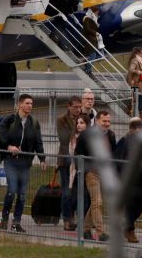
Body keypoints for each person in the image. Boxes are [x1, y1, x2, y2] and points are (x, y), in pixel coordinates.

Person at [0, 94, 46, 233]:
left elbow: (38, 142)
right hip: (11, 161)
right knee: (11, 191)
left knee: (22, 195)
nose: (30, 106)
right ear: (20, 104)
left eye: (31, 103)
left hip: (25, 163)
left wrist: (42, 158)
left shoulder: (34, 122)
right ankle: (4, 219)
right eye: (27, 103)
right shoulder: (10, 119)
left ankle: (16, 222)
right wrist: (8, 146)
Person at [74, 111, 116, 242]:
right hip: (91, 173)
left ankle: (85, 229)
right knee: (97, 202)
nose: (107, 124)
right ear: (97, 121)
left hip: (105, 173)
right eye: (104, 121)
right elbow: (78, 154)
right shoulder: (86, 135)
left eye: (109, 121)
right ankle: (101, 232)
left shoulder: (111, 135)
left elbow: (113, 155)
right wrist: (82, 171)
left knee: (96, 204)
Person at [57, 96, 82, 231]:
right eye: (75, 107)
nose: (78, 109)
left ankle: (72, 216)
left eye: (80, 107)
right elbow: (64, 138)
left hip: (78, 161)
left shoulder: (84, 119)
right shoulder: (62, 120)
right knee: (67, 191)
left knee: (76, 192)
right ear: (69, 106)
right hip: (65, 161)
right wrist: (78, 127)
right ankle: (67, 219)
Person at [126, 47, 142, 122]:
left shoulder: (140, 60)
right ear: (137, 53)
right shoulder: (135, 60)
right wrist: (139, 72)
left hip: (140, 81)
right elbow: (131, 69)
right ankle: (140, 115)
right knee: (139, 98)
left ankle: (131, 110)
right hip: (136, 82)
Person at [82, 6, 103, 76]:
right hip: (90, 40)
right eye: (96, 12)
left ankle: (86, 62)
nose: (97, 14)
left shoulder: (93, 19)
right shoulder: (87, 19)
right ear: (93, 12)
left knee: (100, 55)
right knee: (93, 55)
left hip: (95, 40)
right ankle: (88, 70)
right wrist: (95, 33)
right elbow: (87, 29)